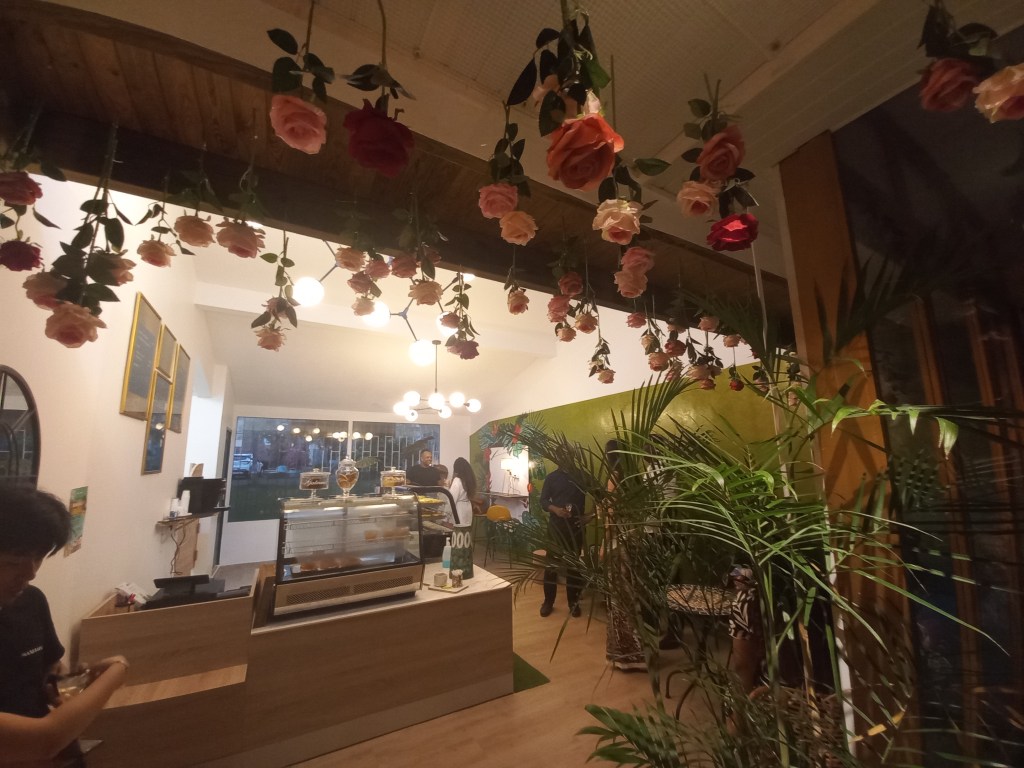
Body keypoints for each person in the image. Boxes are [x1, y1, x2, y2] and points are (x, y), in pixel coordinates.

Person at [0, 485, 129, 764]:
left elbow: (48, 668)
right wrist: (116, 672)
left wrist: (68, 684)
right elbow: (43, 740)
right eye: (13, 562)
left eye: (38, 558)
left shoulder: (31, 601)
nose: (30, 573)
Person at [602, 440, 646, 671]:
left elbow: (610, 517)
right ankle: (637, 651)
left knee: (619, 599)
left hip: (618, 544)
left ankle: (626, 655)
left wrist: (603, 545)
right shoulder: (636, 478)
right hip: (635, 542)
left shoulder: (615, 478)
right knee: (632, 598)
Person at [539, 465, 586, 618]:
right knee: (551, 566)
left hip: (576, 529)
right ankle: (548, 602)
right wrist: (556, 510)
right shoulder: (552, 477)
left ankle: (573, 603)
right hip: (556, 529)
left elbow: (601, 496)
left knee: (573, 567)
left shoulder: (582, 475)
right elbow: (543, 501)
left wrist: (590, 516)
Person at [446, 458, 476, 527]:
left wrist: (445, 517)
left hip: (458, 510)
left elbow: (451, 500)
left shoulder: (457, 480)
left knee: (458, 531)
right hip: (467, 509)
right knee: (466, 531)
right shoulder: (469, 479)